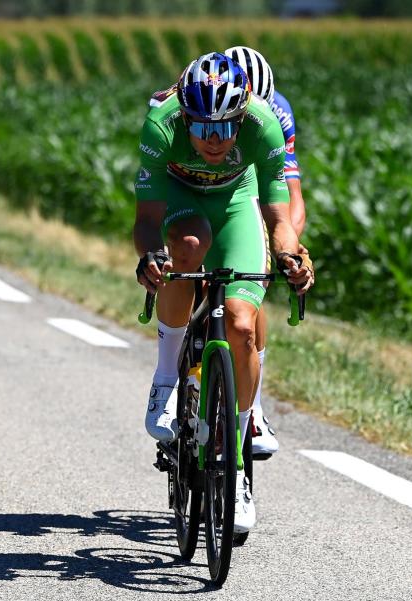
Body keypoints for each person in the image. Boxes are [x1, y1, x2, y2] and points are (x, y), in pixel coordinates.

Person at [134, 52, 314, 533]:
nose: (214, 141)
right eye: (203, 129)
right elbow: (147, 220)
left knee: (239, 322)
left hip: (237, 201)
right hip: (181, 199)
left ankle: (235, 467)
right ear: (186, 117)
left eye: (225, 129)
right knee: (187, 250)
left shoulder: (264, 125)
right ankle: (166, 380)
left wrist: (292, 256)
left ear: (242, 116)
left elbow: (279, 217)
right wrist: (152, 257)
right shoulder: (161, 123)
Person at [223, 46, 306, 457]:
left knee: (250, 293)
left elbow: (291, 196)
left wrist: (286, 248)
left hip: (260, 186)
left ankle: (252, 408)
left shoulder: (278, 113)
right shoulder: (207, 101)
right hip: (217, 182)